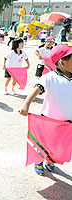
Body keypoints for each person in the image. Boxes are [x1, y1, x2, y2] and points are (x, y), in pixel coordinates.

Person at [19, 43, 72, 175]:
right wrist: (26, 104)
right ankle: (38, 161)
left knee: (59, 146)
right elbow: (37, 88)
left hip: (67, 122)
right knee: (43, 145)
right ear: (62, 63)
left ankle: (50, 160)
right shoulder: (50, 77)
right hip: (50, 121)